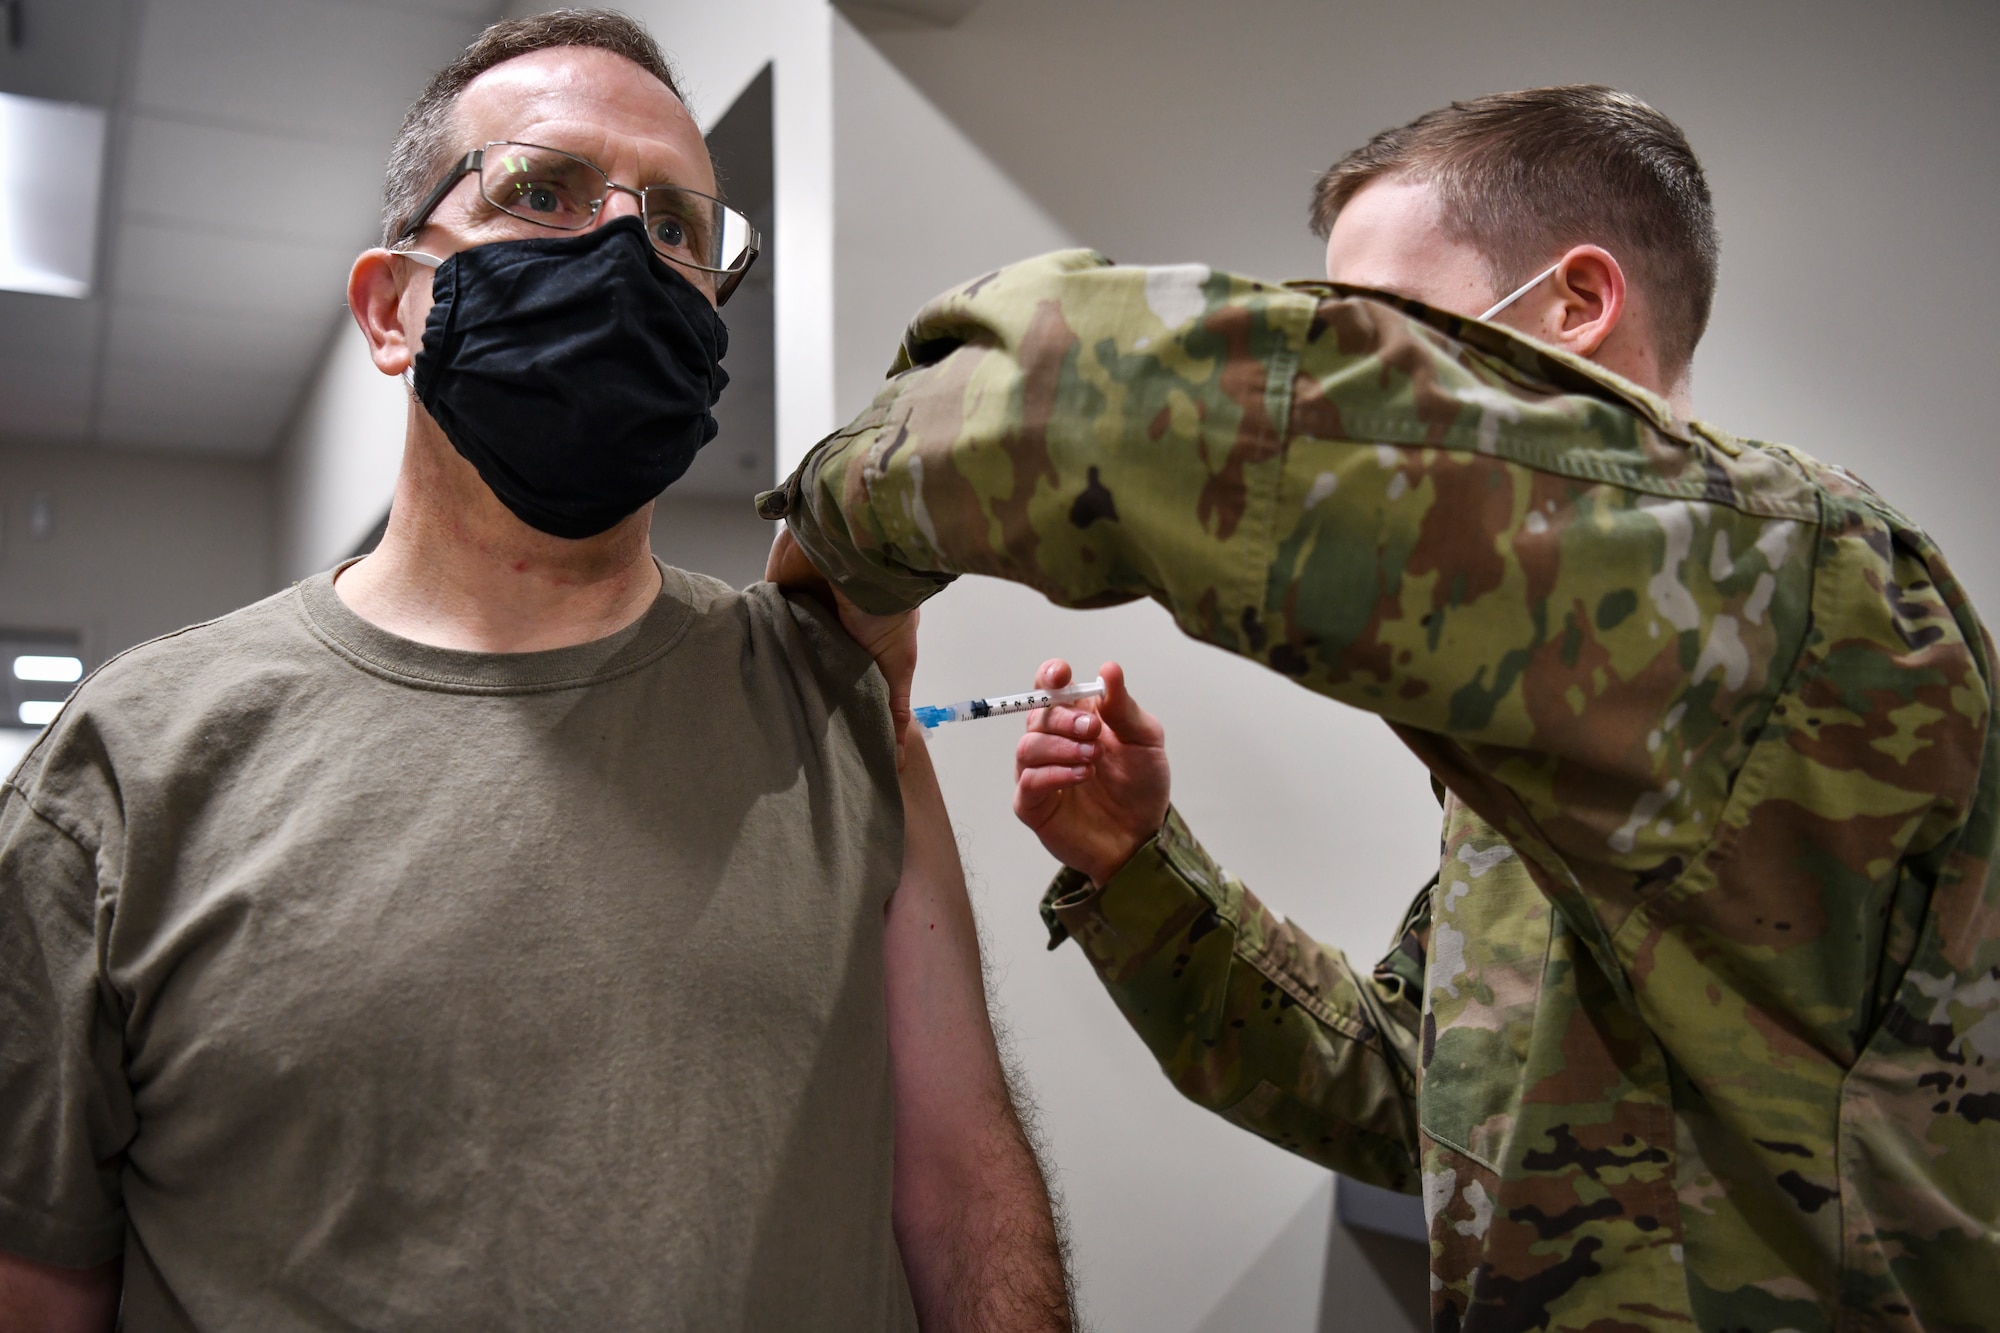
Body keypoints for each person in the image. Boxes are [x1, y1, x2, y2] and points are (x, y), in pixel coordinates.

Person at [762, 86, 1997, 1331]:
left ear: (1575, 304)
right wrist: (1137, 873)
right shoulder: (1571, 723)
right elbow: (1418, 1101)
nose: (1354, 381)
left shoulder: (1800, 602)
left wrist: (835, 537)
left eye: (1379, 338)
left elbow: (1075, 386)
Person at [0, 12, 1070, 1331]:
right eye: (543, 192)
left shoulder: (830, 706)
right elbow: (40, 1282)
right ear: (394, 310)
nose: (627, 248)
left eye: (680, 226)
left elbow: (964, 1193)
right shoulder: (131, 766)